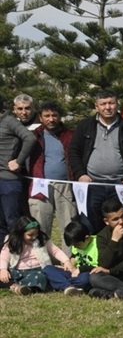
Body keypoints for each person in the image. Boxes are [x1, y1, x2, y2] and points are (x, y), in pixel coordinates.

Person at [68, 90, 123, 233]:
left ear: (117, 105)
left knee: (121, 225)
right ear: (96, 107)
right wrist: (80, 174)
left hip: (119, 186)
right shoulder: (85, 126)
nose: (108, 107)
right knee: (90, 224)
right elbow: (73, 152)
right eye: (103, 104)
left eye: (111, 103)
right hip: (92, 186)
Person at [27, 101, 77, 252]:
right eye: (46, 116)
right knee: (40, 226)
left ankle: (68, 262)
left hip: (66, 185)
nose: (51, 119)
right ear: (40, 118)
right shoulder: (33, 136)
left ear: (59, 116)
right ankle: (40, 262)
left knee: (68, 225)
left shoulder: (70, 135)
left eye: (54, 115)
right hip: (40, 185)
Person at [0, 215, 85, 294]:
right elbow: (4, 257)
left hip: (41, 269)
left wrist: (66, 261)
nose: (34, 237)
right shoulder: (12, 242)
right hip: (21, 272)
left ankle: (25, 288)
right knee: (40, 277)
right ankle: (20, 287)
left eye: (36, 234)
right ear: (20, 233)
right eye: (30, 235)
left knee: (50, 274)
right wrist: (3, 269)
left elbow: (55, 251)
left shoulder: (42, 239)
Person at [0, 94, 38, 247]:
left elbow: (30, 138)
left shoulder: (9, 121)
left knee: (13, 222)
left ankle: (18, 258)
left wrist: (18, 161)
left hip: (9, 180)